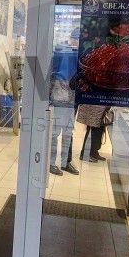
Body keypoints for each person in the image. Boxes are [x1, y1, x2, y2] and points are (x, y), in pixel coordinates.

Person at [49, 47, 79, 176]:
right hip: (59, 100)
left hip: (70, 100)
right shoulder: (59, 55)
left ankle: (65, 162)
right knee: (55, 133)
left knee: (67, 133)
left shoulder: (76, 55)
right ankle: (51, 163)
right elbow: (50, 77)